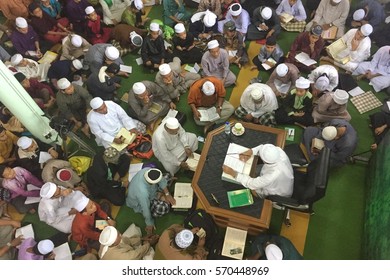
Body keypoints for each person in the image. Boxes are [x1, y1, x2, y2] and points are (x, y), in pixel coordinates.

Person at [222, 143, 294, 198]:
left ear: (265, 161)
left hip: (277, 192)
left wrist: (233, 173)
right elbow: (261, 148)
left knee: (247, 188)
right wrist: (251, 151)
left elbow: (251, 183)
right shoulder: (278, 151)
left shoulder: (271, 175)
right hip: (284, 180)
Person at [126, 168, 176, 234]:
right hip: (141, 202)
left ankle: (160, 194)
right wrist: (149, 223)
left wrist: (167, 194)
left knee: (167, 176)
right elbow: (145, 207)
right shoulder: (142, 192)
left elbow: (161, 180)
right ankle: (160, 195)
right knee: (162, 208)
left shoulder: (147, 170)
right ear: (152, 183)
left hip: (153, 191)